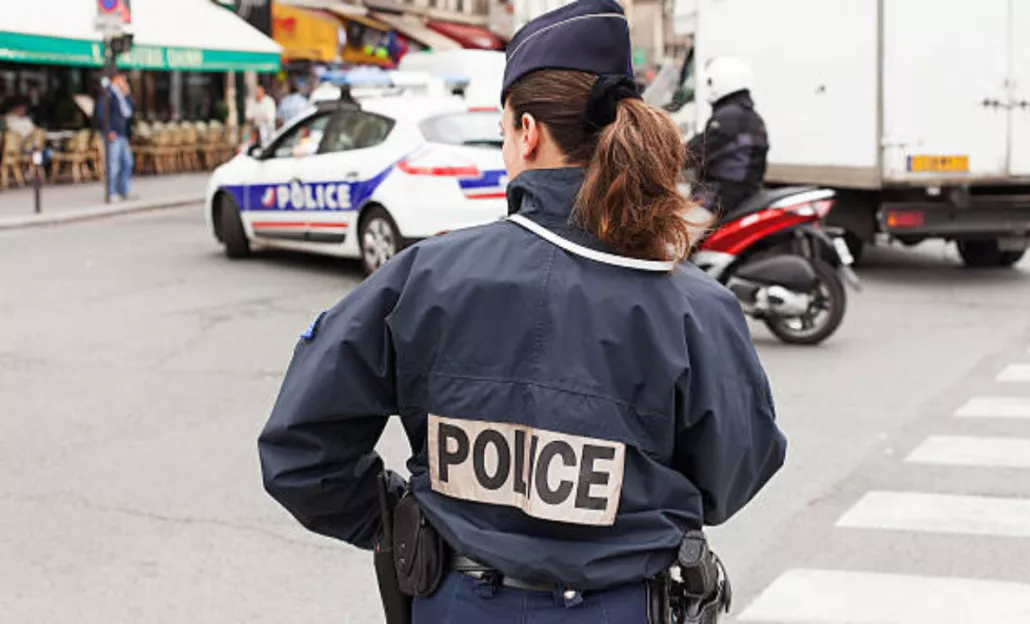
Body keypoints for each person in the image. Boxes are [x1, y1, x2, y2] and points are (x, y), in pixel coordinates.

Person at [257, 1, 786, 622]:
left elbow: (303, 453)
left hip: (456, 603)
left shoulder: (424, 279)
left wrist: (401, 519)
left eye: (503, 130)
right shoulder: (695, 305)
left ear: (528, 131)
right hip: (621, 606)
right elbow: (737, 471)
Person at [685, 56, 769, 217]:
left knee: (674, 237)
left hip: (721, 197)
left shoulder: (727, 118)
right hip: (747, 194)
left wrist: (665, 160)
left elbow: (694, 150)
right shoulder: (750, 116)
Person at [93, 73, 136, 203]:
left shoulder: (121, 95)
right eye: (122, 79)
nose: (124, 81)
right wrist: (109, 131)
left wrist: (127, 94)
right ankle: (111, 192)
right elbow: (101, 113)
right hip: (114, 135)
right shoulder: (108, 93)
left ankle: (124, 190)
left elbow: (129, 111)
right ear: (115, 79)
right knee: (113, 164)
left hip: (123, 134)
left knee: (127, 162)